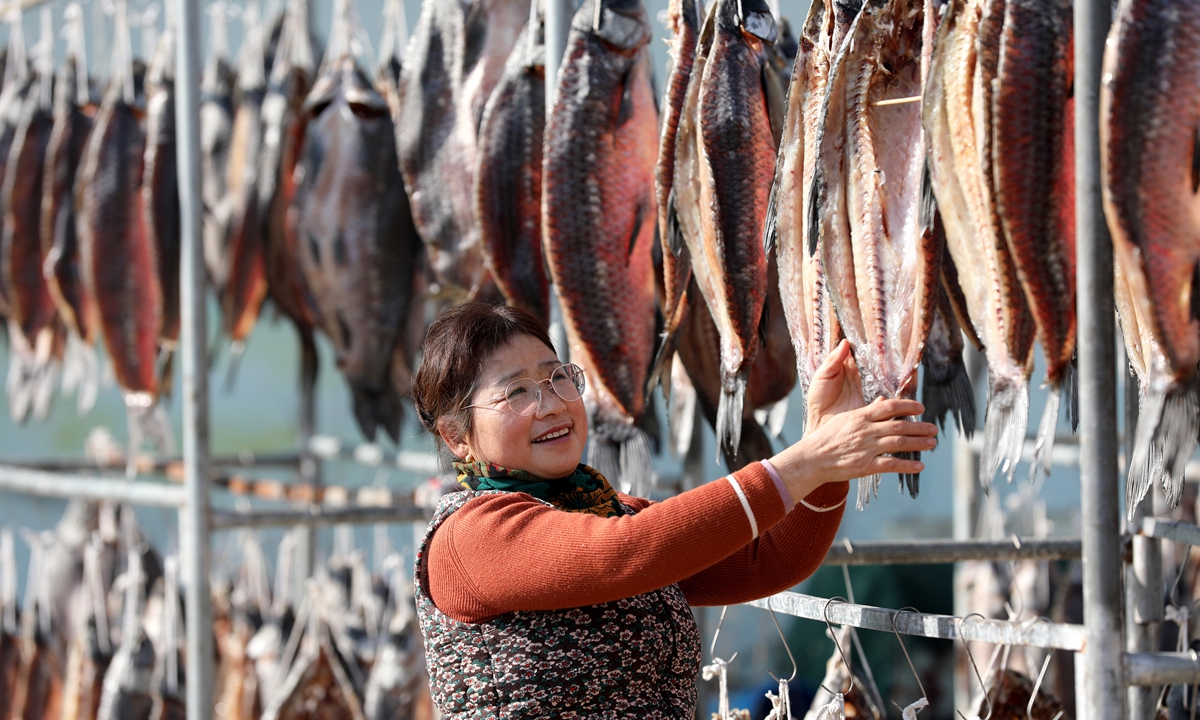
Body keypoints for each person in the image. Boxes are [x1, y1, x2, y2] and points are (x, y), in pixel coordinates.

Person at [411, 302, 938, 719]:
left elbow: (772, 560)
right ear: (458, 438)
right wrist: (801, 463)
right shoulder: (469, 538)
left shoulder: (610, 513)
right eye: (516, 392)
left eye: (557, 378)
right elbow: (625, 555)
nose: (550, 403)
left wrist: (824, 460)